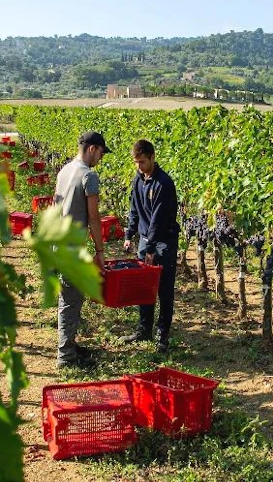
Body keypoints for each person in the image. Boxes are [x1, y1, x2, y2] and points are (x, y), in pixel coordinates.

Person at [53, 131, 110, 369]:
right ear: (92, 149)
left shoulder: (65, 171)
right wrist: (99, 251)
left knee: (68, 296)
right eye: (100, 153)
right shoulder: (89, 176)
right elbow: (94, 218)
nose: (100, 158)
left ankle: (70, 346)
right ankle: (66, 356)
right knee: (70, 300)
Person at [121, 139, 180, 353]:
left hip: (163, 242)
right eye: (136, 162)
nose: (139, 166)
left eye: (143, 162)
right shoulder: (138, 180)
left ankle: (162, 335)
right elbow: (134, 209)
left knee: (164, 288)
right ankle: (143, 329)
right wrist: (129, 234)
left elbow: (159, 219)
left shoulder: (164, 184)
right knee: (144, 286)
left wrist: (152, 248)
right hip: (146, 240)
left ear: (153, 157)